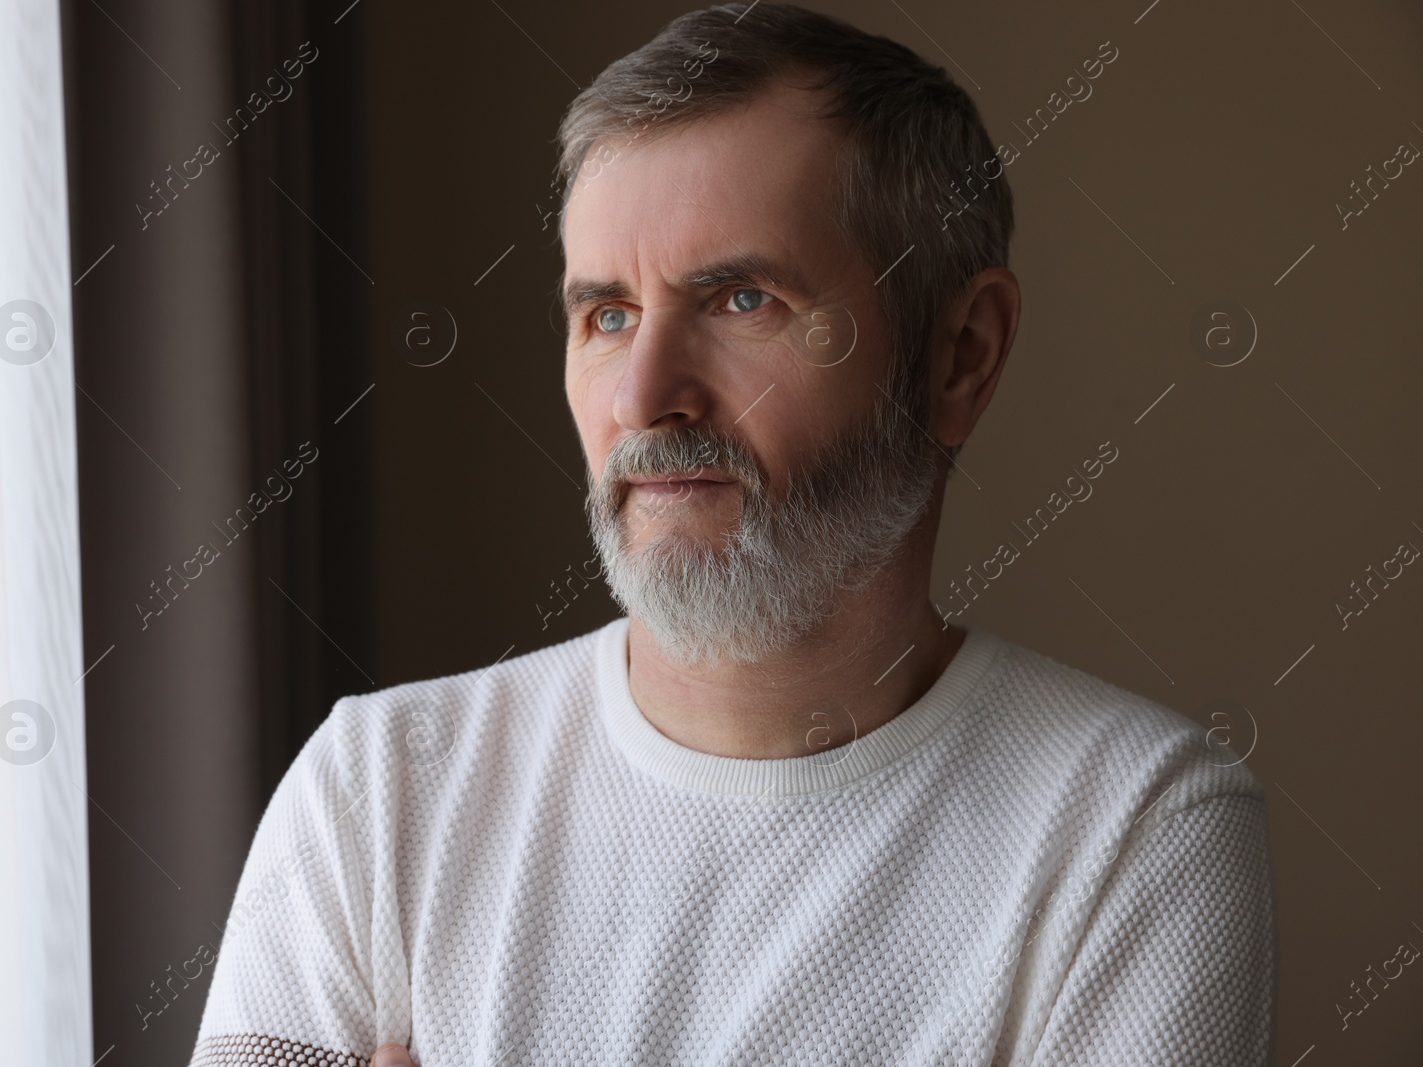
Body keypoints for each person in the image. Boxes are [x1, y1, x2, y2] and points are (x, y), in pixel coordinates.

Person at [188, 5, 1277, 1065]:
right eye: (606, 315)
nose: (646, 395)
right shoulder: (379, 789)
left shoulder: (1135, 825)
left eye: (741, 299)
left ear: (959, 356)